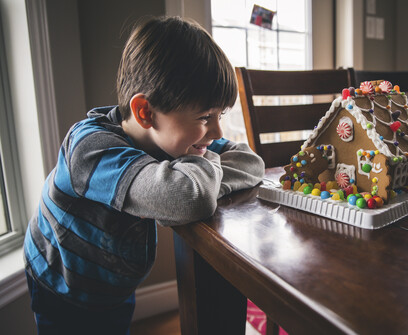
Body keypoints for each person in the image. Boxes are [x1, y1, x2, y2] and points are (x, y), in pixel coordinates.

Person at [24, 16, 265, 334]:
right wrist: (200, 178)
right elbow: (186, 198)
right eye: (206, 116)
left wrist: (201, 176)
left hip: (114, 281)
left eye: (220, 115)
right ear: (146, 112)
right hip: (63, 286)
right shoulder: (90, 150)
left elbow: (250, 162)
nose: (217, 130)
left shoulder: (178, 138)